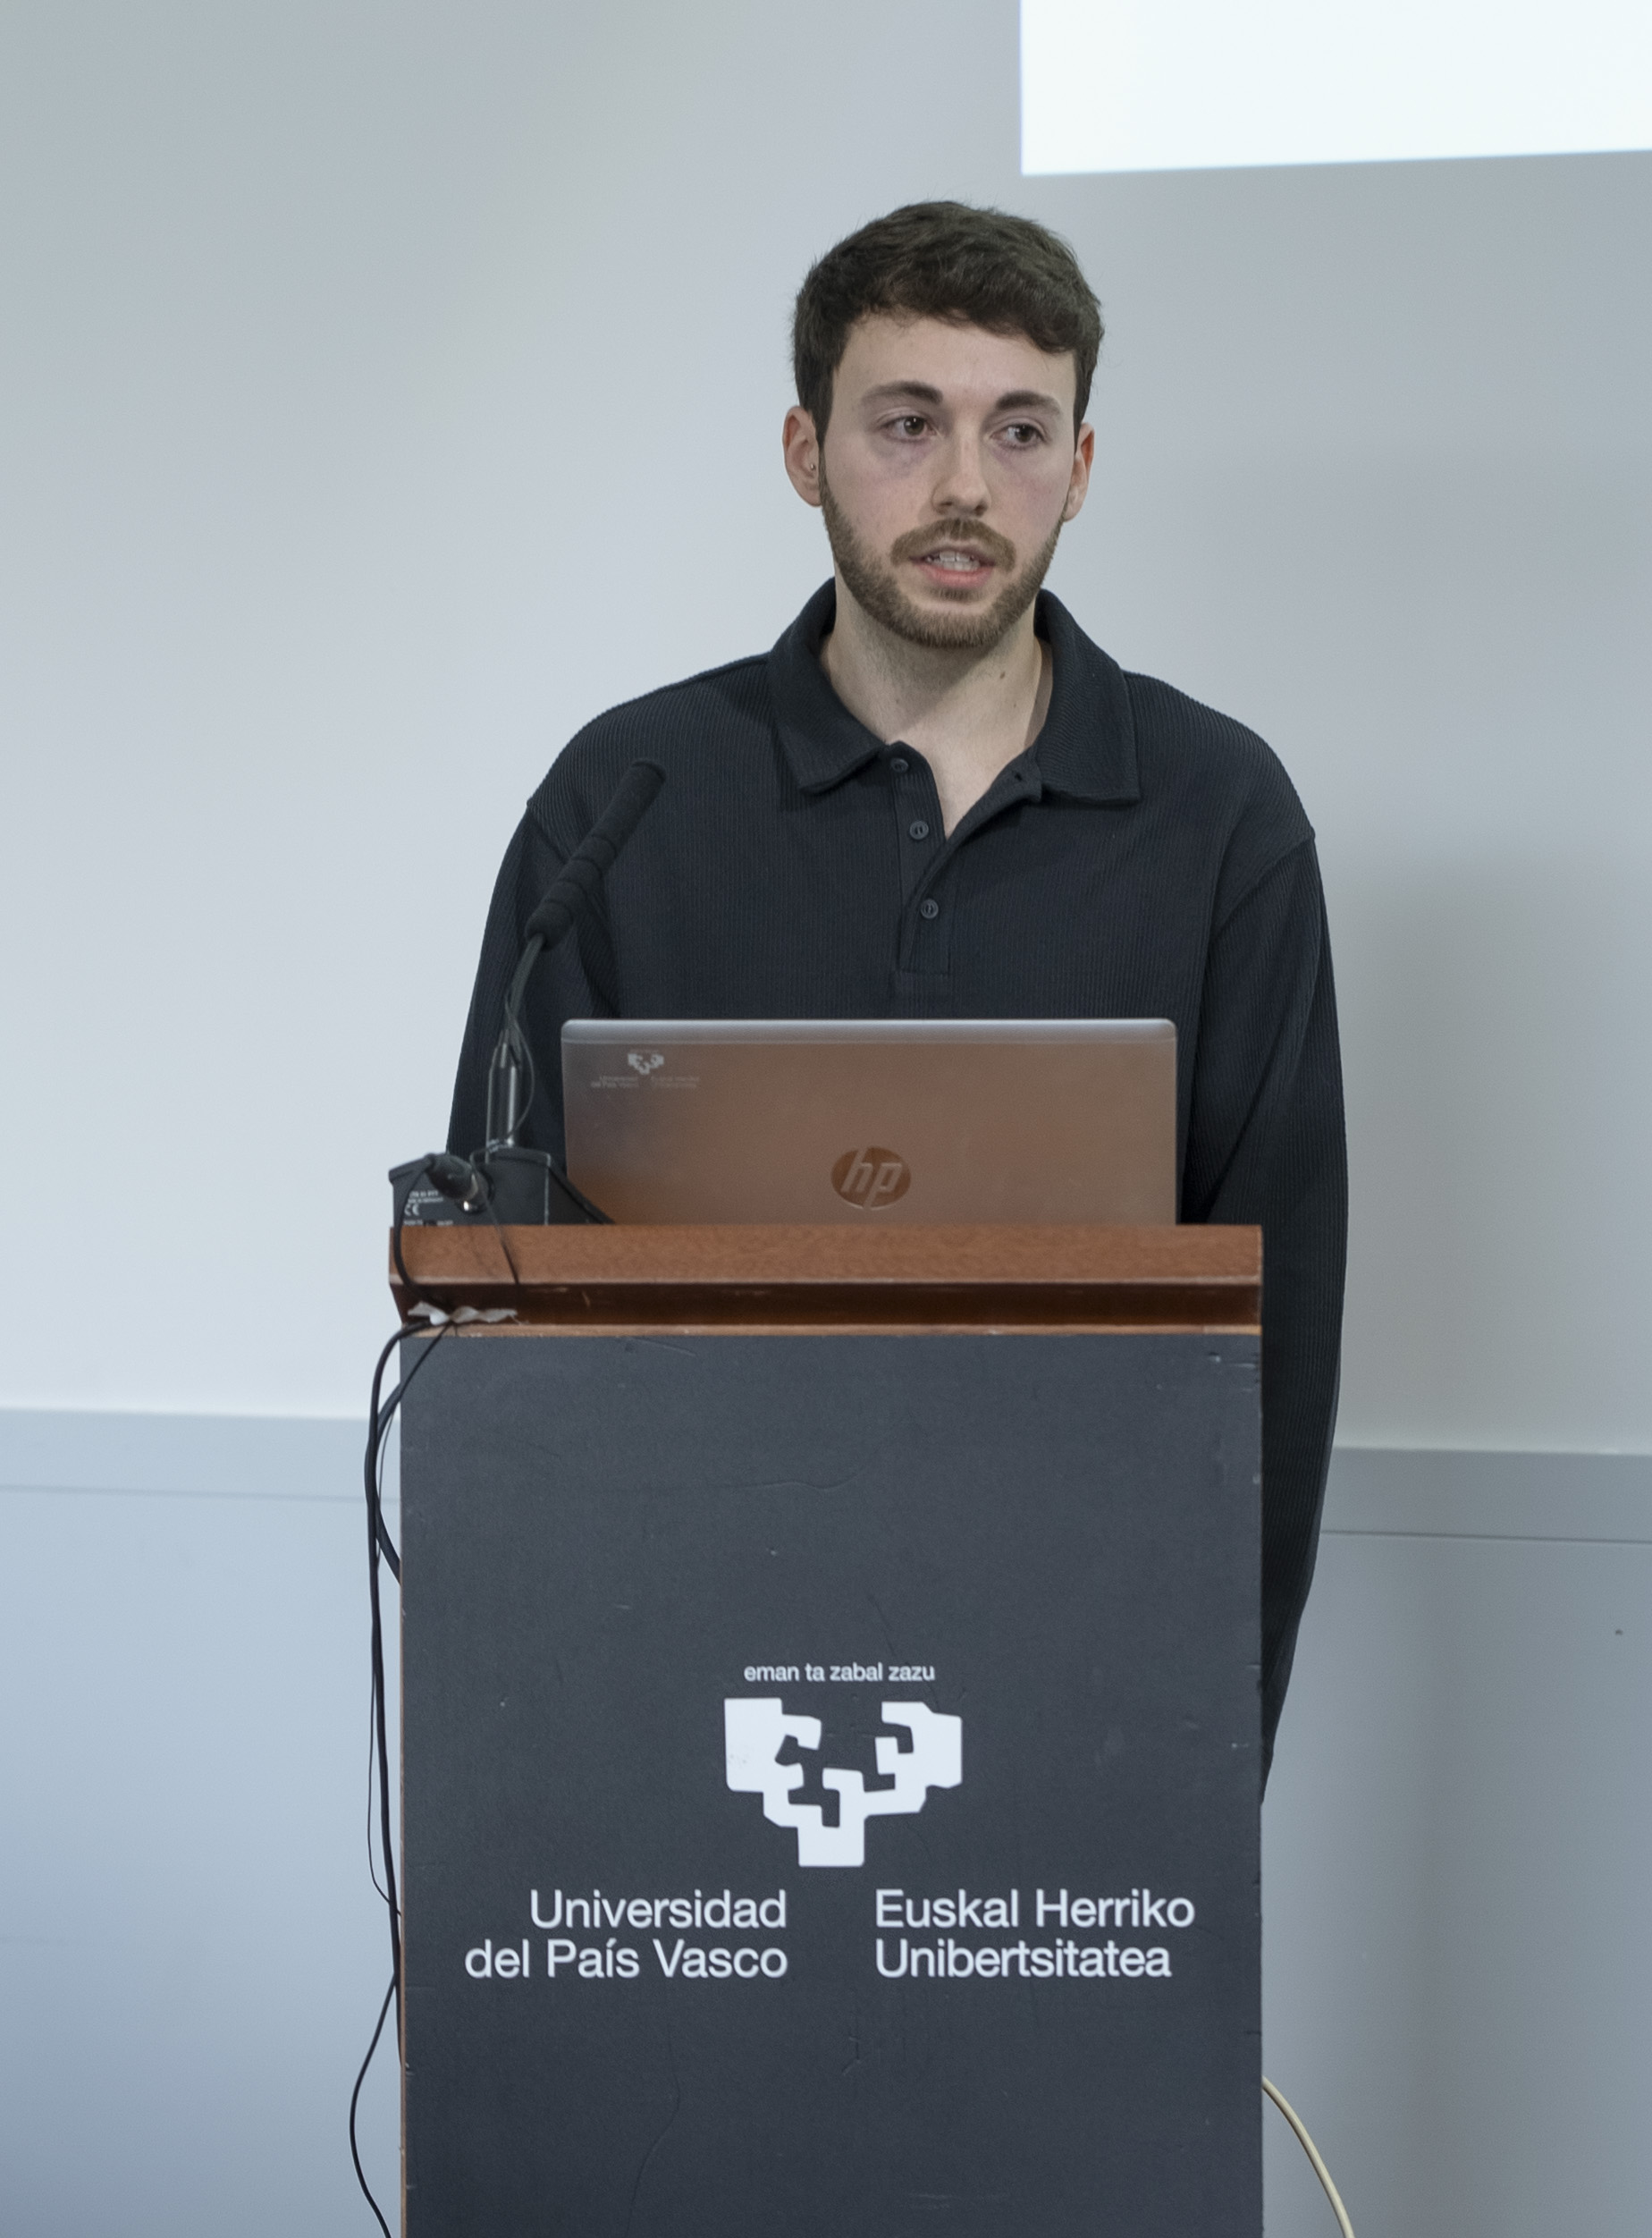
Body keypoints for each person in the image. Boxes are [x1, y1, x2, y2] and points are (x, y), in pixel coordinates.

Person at [449, 199, 1346, 1775]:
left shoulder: (1222, 816)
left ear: (1081, 466)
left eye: (1020, 431)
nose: (964, 488)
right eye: (907, 424)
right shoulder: (628, 795)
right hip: (677, 1650)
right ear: (806, 451)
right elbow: (502, 1286)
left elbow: (1281, 1328)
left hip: (1088, 1652)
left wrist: (1214, 1743)